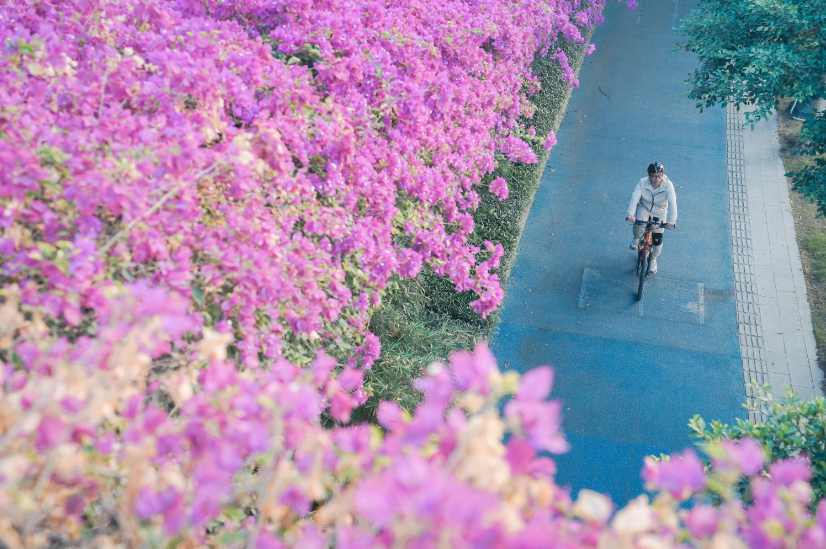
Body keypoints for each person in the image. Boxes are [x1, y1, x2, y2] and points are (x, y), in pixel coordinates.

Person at [625, 162, 677, 274]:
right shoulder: (642, 182)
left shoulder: (668, 185)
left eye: (659, 175)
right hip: (644, 207)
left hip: (660, 210)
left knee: (657, 239)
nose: (657, 178)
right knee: (639, 222)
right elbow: (635, 198)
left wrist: (672, 219)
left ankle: (653, 259)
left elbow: (673, 202)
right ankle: (636, 238)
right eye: (654, 176)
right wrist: (630, 214)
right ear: (649, 175)